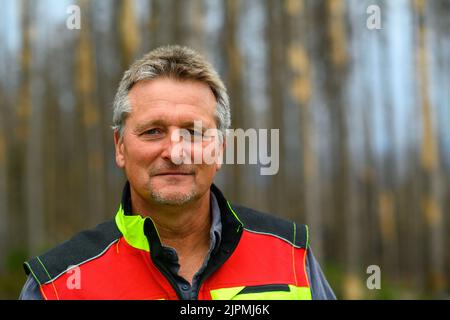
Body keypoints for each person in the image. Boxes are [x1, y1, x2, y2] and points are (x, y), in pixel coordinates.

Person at [19, 45, 336, 300]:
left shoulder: (291, 257)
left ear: (220, 148)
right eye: (153, 131)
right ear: (119, 146)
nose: (175, 151)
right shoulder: (56, 285)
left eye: (194, 132)